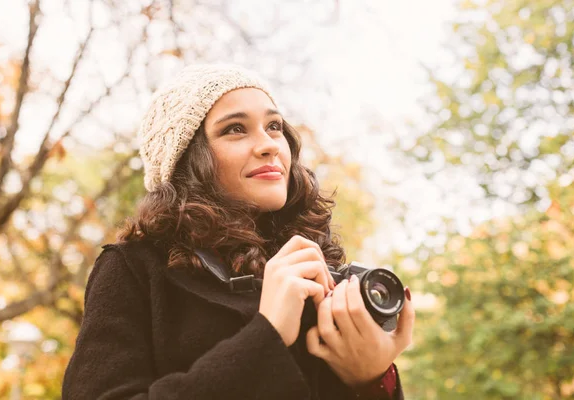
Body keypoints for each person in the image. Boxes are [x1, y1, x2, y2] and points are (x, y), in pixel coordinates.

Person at [62, 63, 415, 400]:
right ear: (188, 159)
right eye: (235, 129)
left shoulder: (313, 269)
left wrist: (371, 381)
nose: (270, 145)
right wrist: (268, 333)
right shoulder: (135, 268)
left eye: (274, 126)